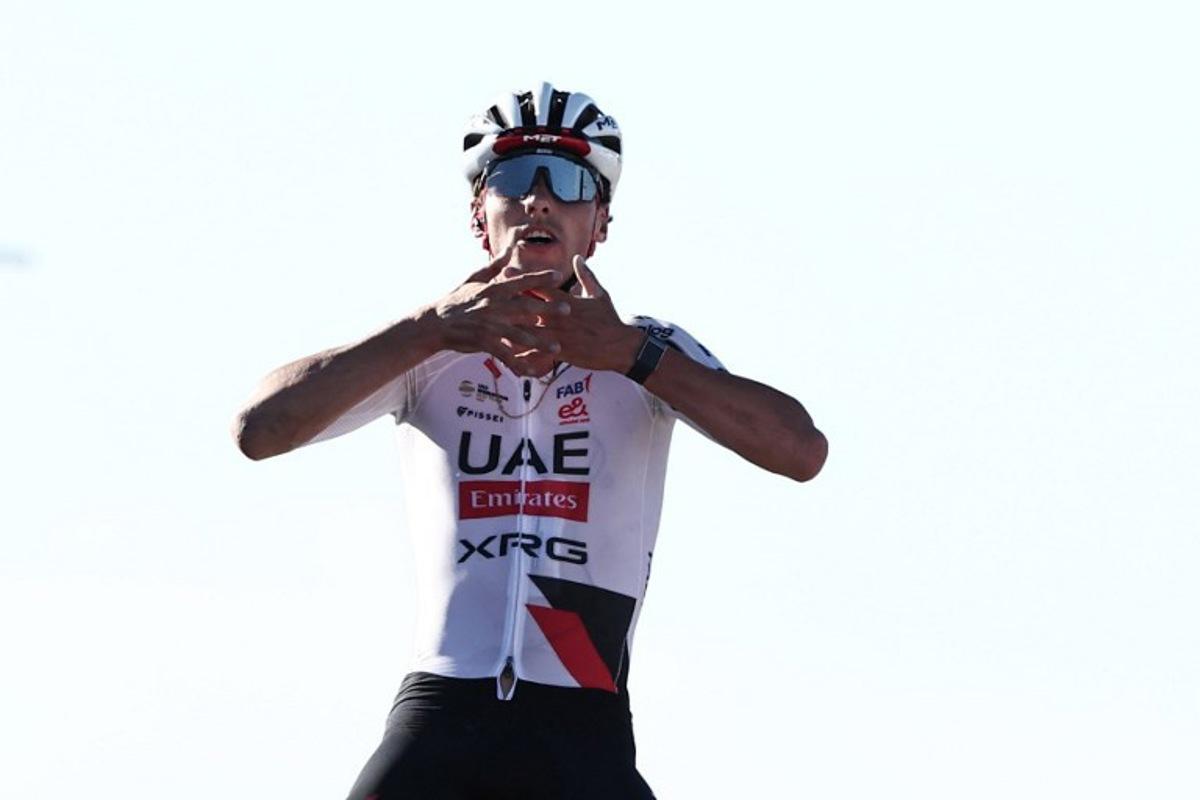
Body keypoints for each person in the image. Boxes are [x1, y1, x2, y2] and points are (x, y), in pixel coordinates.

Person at [232, 82, 828, 800]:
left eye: (569, 183)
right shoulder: (425, 353)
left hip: (582, 720)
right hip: (443, 712)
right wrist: (429, 329)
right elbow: (259, 431)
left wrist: (631, 355)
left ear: (599, 224)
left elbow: (801, 452)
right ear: (479, 216)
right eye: (513, 179)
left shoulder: (649, 350)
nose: (539, 201)